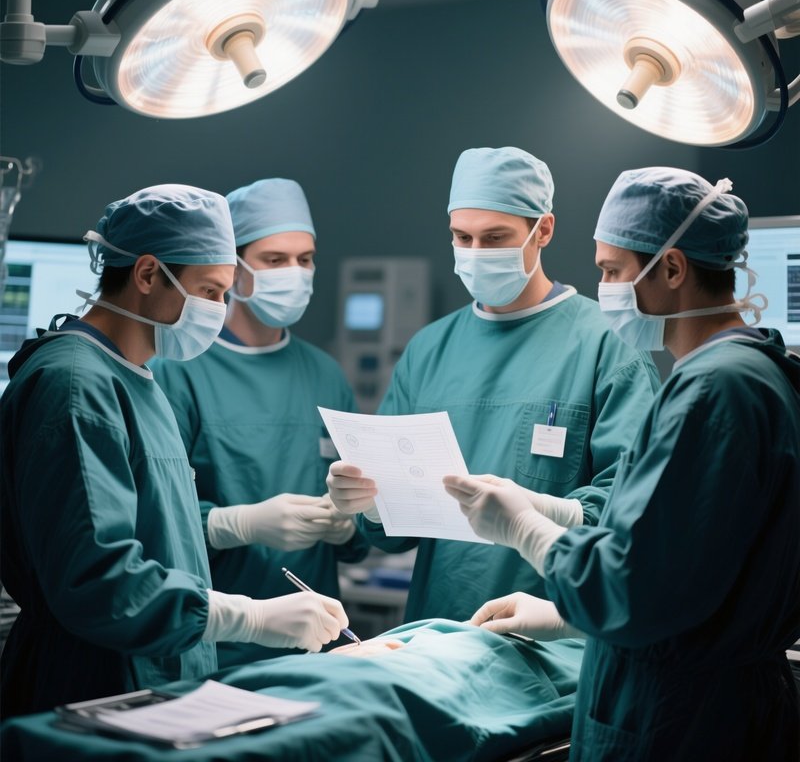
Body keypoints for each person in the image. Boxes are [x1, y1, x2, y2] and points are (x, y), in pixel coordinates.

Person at [445, 167, 800, 760]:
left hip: (683, 722)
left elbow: (632, 587)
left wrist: (522, 527)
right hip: (722, 704)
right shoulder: (759, 371)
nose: (604, 287)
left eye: (612, 271)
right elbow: (692, 578)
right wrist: (568, 615)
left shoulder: (713, 390)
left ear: (672, 269)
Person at [0, 185, 349, 717]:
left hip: (156, 670)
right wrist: (249, 618)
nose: (218, 311)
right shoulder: (74, 385)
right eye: (208, 291)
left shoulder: (136, 378)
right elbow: (95, 579)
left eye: (225, 294)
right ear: (146, 274)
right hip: (90, 680)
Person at [327, 147, 661, 622]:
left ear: (543, 230)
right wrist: (372, 504)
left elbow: (631, 506)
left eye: (496, 237)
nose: (476, 253)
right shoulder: (429, 350)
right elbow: (394, 533)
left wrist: (541, 511)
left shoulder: (608, 345)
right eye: (462, 237)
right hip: (436, 632)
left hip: (550, 636)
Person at [152, 178, 368, 667]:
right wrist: (236, 524)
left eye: (305, 259)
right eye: (274, 259)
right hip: (213, 641)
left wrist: (348, 525)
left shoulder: (325, 375)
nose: (295, 273)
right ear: (233, 268)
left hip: (319, 644)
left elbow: (361, 523)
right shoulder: (178, 370)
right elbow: (152, 519)